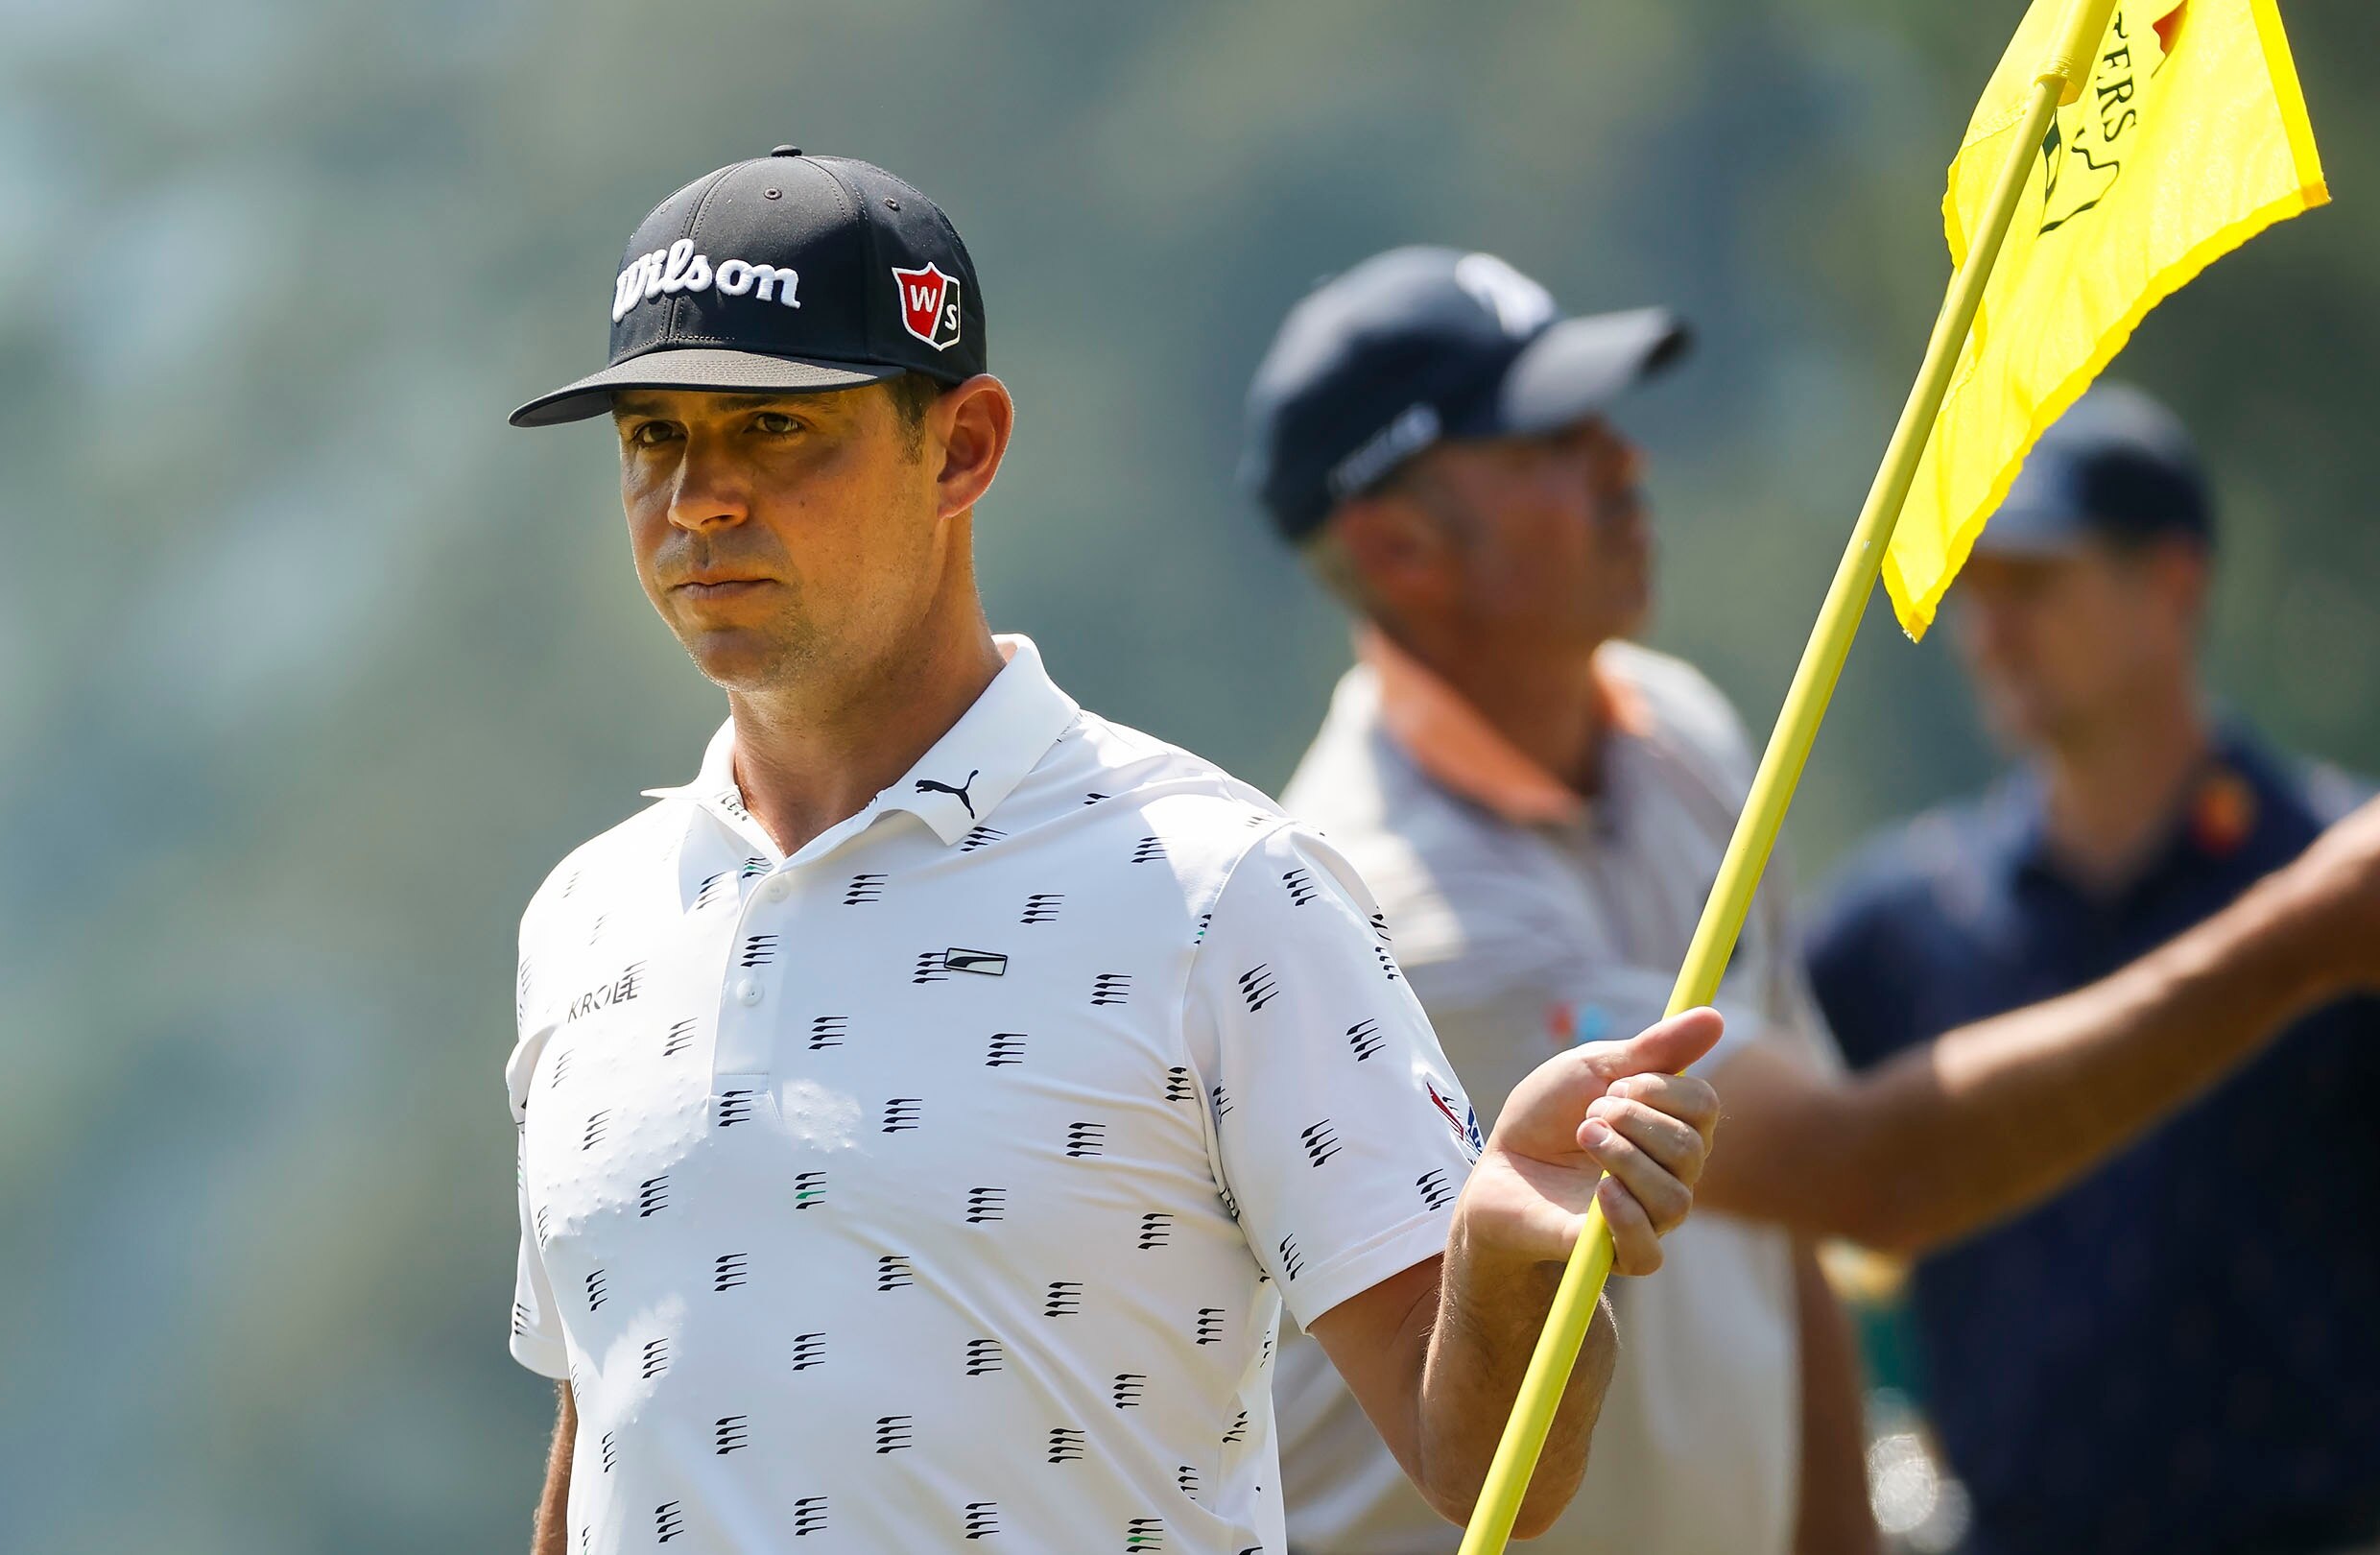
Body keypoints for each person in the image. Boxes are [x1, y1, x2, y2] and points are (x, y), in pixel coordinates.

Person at [499, 150, 1726, 1555]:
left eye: (776, 427)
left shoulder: (1221, 888)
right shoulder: (586, 916)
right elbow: (614, 1432)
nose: (699, 499)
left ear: (960, 448)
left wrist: (1508, 1254)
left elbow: (1478, 1460)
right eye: (654, 439)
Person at [1240, 254, 2380, 1555]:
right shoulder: (1390, 903)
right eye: (1554, 442)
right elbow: (1864, 1175)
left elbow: (1794, 1254)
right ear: (1398, 547)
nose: (1626, 465)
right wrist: (2308, 934)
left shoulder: (1677, 733)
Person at [1804, 382, 2380, 1555]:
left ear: (2174, 583)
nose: (1989, 628)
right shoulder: (1900, 921)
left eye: (2035, 580)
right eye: (1974, 587)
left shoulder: (2347, 883)